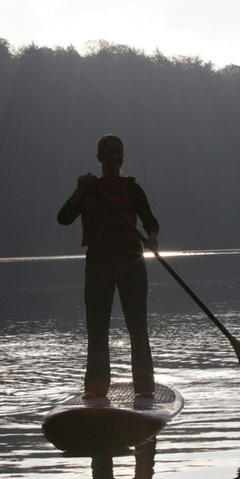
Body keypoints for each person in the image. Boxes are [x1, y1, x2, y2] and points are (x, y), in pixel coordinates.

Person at [58, 134, 159, 399]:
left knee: (137, 327)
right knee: (97, 327)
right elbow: (64, 218)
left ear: (122, 157)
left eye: (118, 153)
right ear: (99, 157)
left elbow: (150, 220)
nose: (114, 157)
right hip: (99, 265)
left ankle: (145, 389)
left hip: (131, 263)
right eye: (109, 152)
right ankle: (95, 389)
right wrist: (79, 190)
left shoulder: (131, 188)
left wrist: (152, 237)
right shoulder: (89, 188)